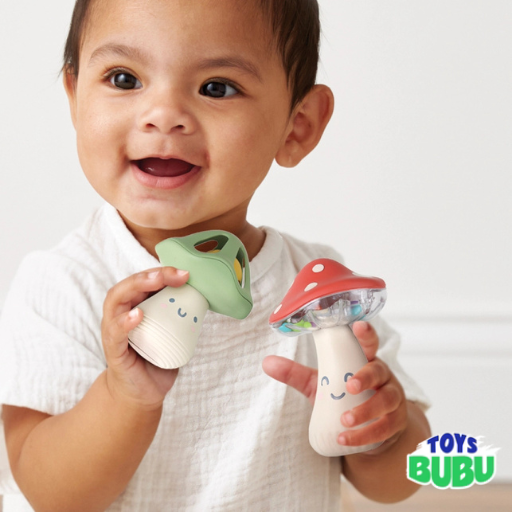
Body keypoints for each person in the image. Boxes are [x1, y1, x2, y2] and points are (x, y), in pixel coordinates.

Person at [0, 0, 431, 510]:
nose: (164, 115)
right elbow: (51, 494)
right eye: (124, 79)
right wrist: (125, 396)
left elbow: (397, 483)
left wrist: (379, 432)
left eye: (216, 87)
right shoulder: (63, 284)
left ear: (297, 126)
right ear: (75, 97)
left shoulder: (320, 294)